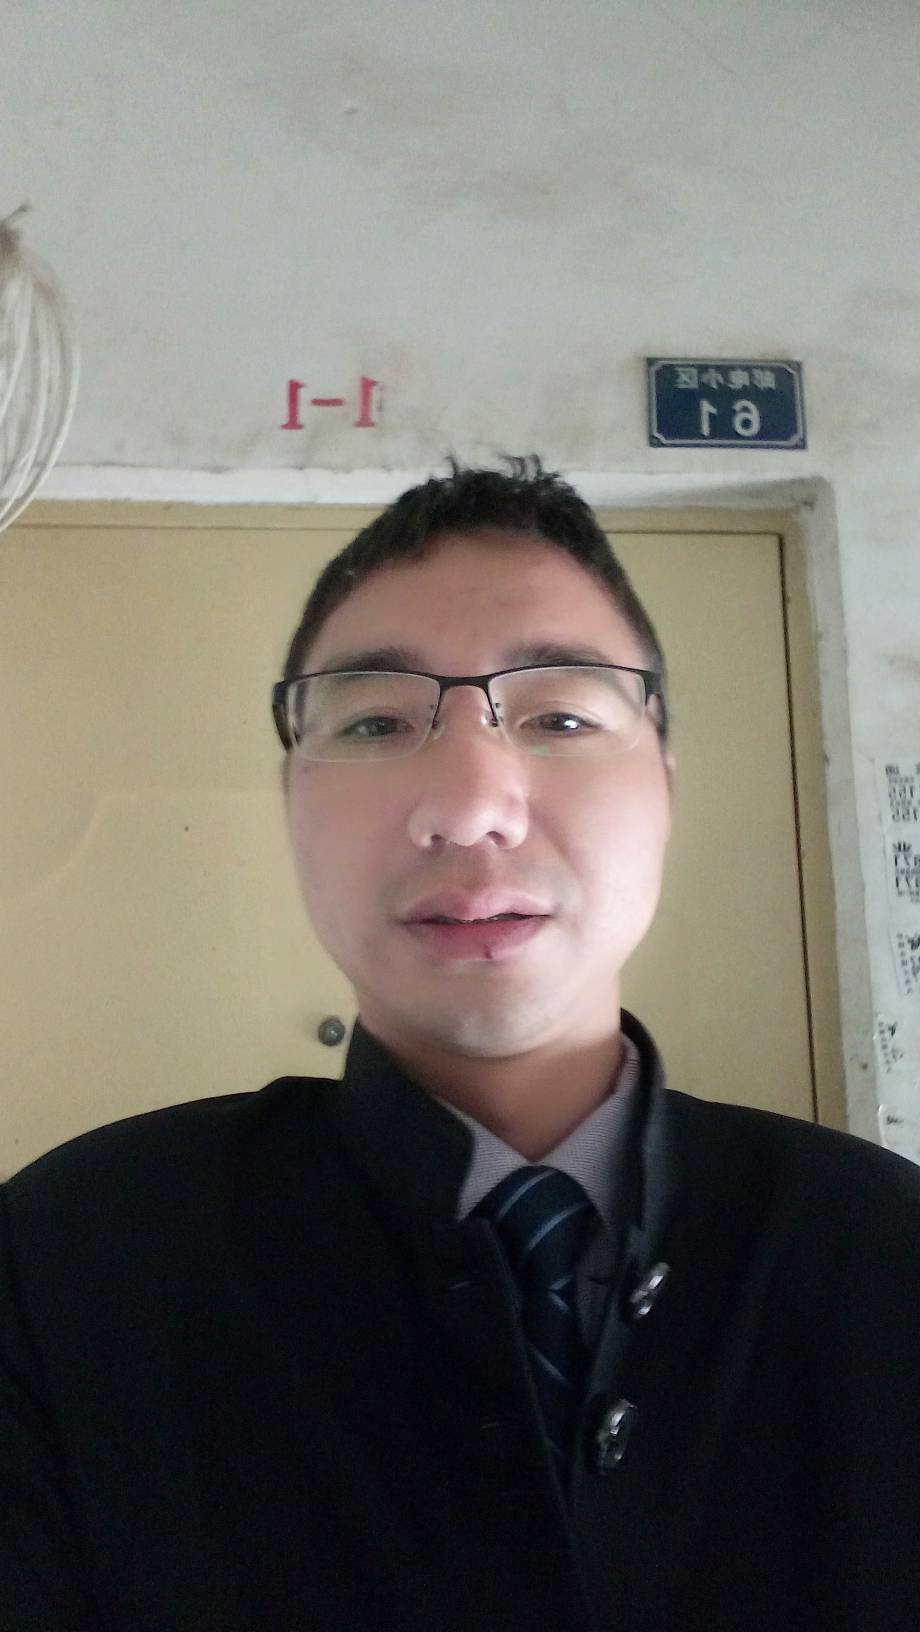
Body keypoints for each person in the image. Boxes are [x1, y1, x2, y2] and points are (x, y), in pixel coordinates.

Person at [2, 457, 919, 1632]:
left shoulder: (882, 1253)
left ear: (663, 786)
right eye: (376, 721)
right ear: (292, 800)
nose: (470, 805)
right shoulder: (70, 1264)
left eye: (560, 717)